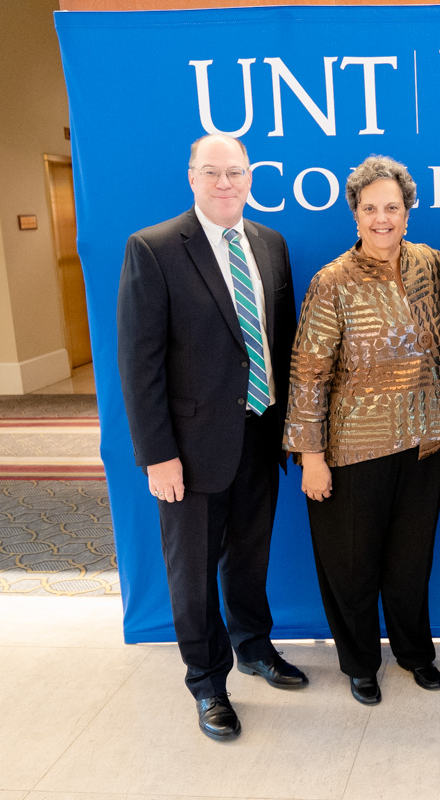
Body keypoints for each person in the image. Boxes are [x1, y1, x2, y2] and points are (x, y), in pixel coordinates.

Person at [116, 133, 306, 743]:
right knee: (192, 572)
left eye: (236, 172)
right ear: (191, 177)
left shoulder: (270, 245)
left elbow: (282, 344)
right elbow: (138, 364)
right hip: (190, 449)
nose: (226, 183)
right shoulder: (155, 248)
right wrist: (157, 454)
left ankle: (253, 646)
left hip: (261, 433)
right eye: (213, 172)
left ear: (251, 176)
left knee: (249, 557)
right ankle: (207, 683)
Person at [284, 155, 440, 707]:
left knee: (410, 562)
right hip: (352, 450)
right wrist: (311, 455)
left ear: (408, 212)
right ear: (355, 214)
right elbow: (308, 370)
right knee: (351, 568)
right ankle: (359, 662)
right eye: (371, 208)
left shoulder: (429, 263)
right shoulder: (332, 281)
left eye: (393, 208)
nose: (383, 218)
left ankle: (414, 653)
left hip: (426, 442)